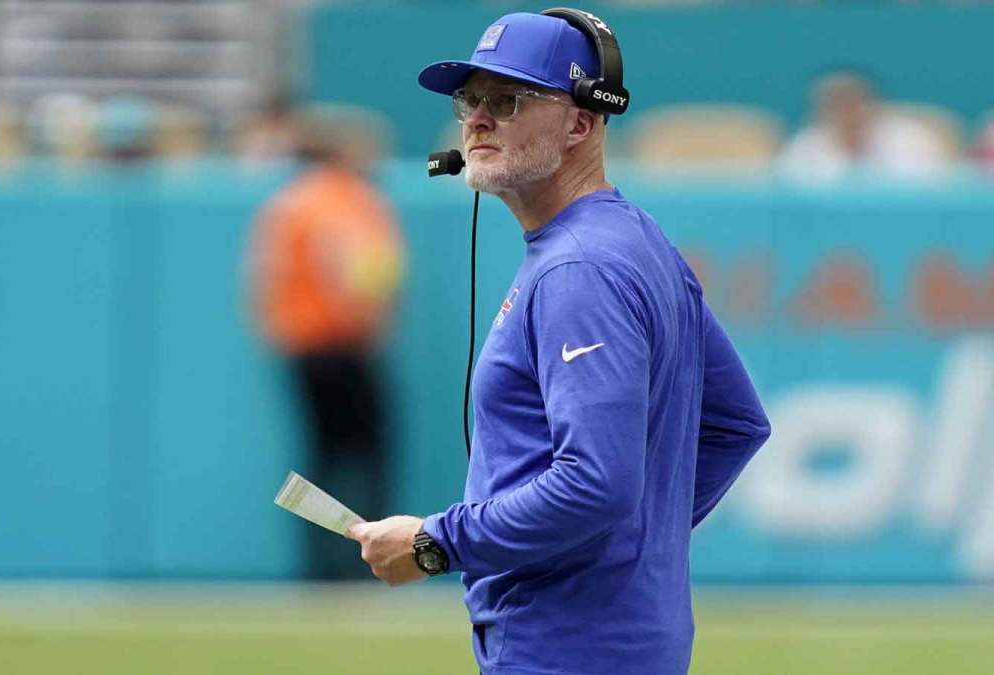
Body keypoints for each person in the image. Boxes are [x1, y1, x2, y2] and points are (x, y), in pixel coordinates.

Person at [343, 11, 771, 675]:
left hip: (565, 649)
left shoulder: (579, 268)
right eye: (470, 100)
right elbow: (737, 424)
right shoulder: (633, 241)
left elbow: (597, 482)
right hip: (620, 643)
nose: (477, 120)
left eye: (507, 100)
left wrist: (435, 542)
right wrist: (625, 552)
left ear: (580, 123)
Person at [248, 105, 404, 580]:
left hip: (301, 346)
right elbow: (357, 267)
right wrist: (372, 319)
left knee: (320, 457)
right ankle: (367, 561)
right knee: (366, 454)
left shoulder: (289, 201)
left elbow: (260, 278)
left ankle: (318, 565)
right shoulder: (346, 199)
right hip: (342, 343)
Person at [776, 69, 950, 181]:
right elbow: (787, 194)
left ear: (874, 103)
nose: (847, 113)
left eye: (853, 104)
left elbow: (936, 190)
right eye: (836, 105)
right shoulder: (805, 147)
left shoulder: (912, 140)